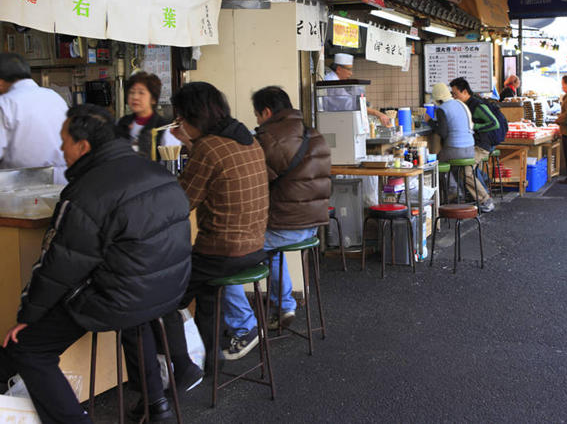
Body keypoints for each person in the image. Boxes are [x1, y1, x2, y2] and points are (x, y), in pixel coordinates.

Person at [0, 104, 191, 423]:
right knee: (136, 315)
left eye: (64, 142)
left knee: (28, 348)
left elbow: (57, 268)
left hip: (122, 299)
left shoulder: (86, 192)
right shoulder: (157, 172)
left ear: (83, 146)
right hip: (168, 293)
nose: (61, 149)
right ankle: (157, 404)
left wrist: (27, 317)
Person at [137, 82, 270, 402]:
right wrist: (190, 143)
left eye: (180, 119)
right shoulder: (246, 138)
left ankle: (182, 368)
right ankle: (211, 363)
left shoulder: (209, 147)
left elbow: (181, 203)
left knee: (160, 297)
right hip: (255, 248)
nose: (178, 125)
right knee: (208, 296)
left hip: (222, 252)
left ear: (192, 116)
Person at [220, 86, 331, 359]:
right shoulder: (313, 134)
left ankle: (245, 326)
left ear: (267, 112)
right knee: (271, 252)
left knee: (221, 256)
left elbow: (249, 181)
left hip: (285, 227)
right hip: (311, 227)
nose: (257, 121)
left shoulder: (270, 139)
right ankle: (284, 304)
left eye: (258, 116)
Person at [0, 52, 68, 183]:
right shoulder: (54, 96)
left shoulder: (5, 103)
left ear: (1, 82)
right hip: (62, 181)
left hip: (22, 183)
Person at [450, 77, 498, 213]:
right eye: (452, 94)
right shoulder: (463, 106)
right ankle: (470, 195)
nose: (453, 97)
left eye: (455, 94)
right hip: (470, 145)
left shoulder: (477, 106)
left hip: (481, 146)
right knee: (459, 168)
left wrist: (474, 126)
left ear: (465, 92)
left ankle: (485, 200)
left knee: (466, 171)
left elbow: (494, 123)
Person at [116, 71, 181, 158]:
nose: (135, 97)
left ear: (153, 99)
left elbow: (170, 161)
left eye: (141, 93)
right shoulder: (122, 123)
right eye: (132, 92)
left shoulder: (164, 128)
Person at [325, 53, 391, 126]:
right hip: (332, 121)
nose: (351, 73)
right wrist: (378, 113)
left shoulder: (334, 79)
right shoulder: (332, 81)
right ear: (339, 69)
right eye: (348, 69)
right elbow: (352, 105)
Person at [426, 82, 474, 162]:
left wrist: (429, 121)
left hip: (455, 150)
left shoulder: (442, 109)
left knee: (434, 163)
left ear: (437, 99)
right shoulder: (461, 103)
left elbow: (443, 133)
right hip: (470, 149)